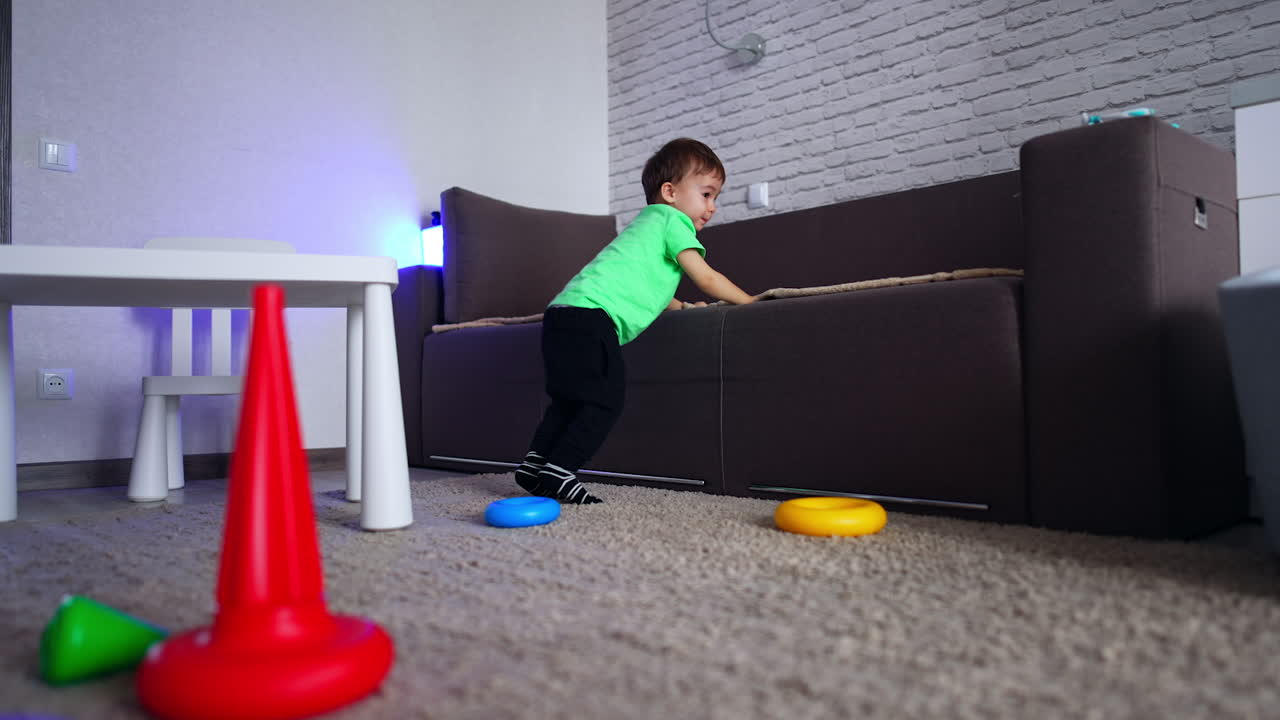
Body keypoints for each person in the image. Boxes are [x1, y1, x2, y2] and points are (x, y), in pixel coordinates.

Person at [514, 138, 757, 504]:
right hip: (591, 319)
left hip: (562, 314)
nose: (713, 207)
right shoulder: (675, 222)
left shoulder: (644, 225)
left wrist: (683, 307)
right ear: (670, 192)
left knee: (568, 400)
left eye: (715, 197)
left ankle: (534, 466)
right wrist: (750, 303)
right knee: (604, 400)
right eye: (706, 194)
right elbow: (706, 276)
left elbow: (648, 289)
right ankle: (562, 471)